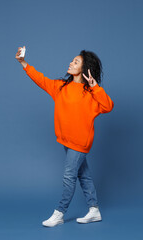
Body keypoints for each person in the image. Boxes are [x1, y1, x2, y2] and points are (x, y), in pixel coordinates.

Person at [15, 46, 114, 227]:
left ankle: (59, 213)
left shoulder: (92, 93)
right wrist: (23, 63)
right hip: (66, 141)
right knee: (83, 175)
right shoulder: (61, 87)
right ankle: (94, 210)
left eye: (76, 62)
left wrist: (95, 86)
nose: (71, 63)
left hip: (79, 143)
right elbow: (41, 79)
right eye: (72, 60)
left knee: (69, 176)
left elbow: (108, 106)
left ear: (84, 69)